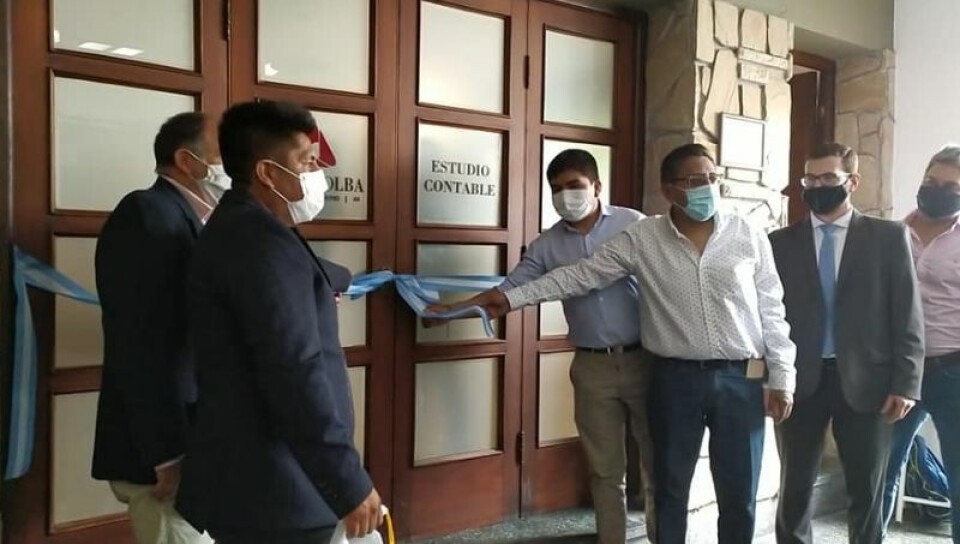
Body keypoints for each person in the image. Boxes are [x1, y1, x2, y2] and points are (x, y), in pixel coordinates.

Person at [449, 143, 797, 544]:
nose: (707, 187)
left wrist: (782, 376)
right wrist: (509, 299)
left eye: (712, 178)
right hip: (675, 380)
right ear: (669, 190)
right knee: (669, 489)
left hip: (741, 378)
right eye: (695, 180)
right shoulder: (643, 237)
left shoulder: (747, 233)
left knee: (739, 492)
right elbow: (580, 275)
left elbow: (772, 308)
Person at [175, 100, 381, 544]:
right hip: (277, 488)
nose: (316, 173)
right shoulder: (260, 244)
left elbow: (310, 278)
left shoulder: (252, 228)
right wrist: (347, 480)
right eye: (306, 162)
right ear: (268, 172)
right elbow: (294, 371)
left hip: (262, 482)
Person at [429, 149, 652, 544]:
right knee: (604, 471)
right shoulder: (546, 245)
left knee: (657, 465)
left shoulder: (633, 225)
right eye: (556, 189)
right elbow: (509, 292)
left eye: (574, 186)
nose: (565, 196)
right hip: (592, 367)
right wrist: (451, 312)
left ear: (597, 186)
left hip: (645, 361)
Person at [769, 142, 924, 544]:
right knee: (793, 489)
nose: (817, 186)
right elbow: (767, 317)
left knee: (866, 490)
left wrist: (906, 383)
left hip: (869, 381)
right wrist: (769, 378)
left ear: (852, 181)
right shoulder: (779, 243)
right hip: (799, 381)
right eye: (810, 179)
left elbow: (907, 314)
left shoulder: (889, 237)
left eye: (828, 178)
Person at [92, 111, 228, 544]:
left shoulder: (204, 221)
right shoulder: (147, 214)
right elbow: (143, 343)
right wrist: (166, 452)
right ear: (187, 161)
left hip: (197, 439)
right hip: (163, 451)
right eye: (225, 153)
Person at [881, 144, 960, 543]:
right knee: (880, 473)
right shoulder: (892, 233)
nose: (937, 189)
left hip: (953, 371)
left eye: (951, 186)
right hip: (898, 373)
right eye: (932, 181)